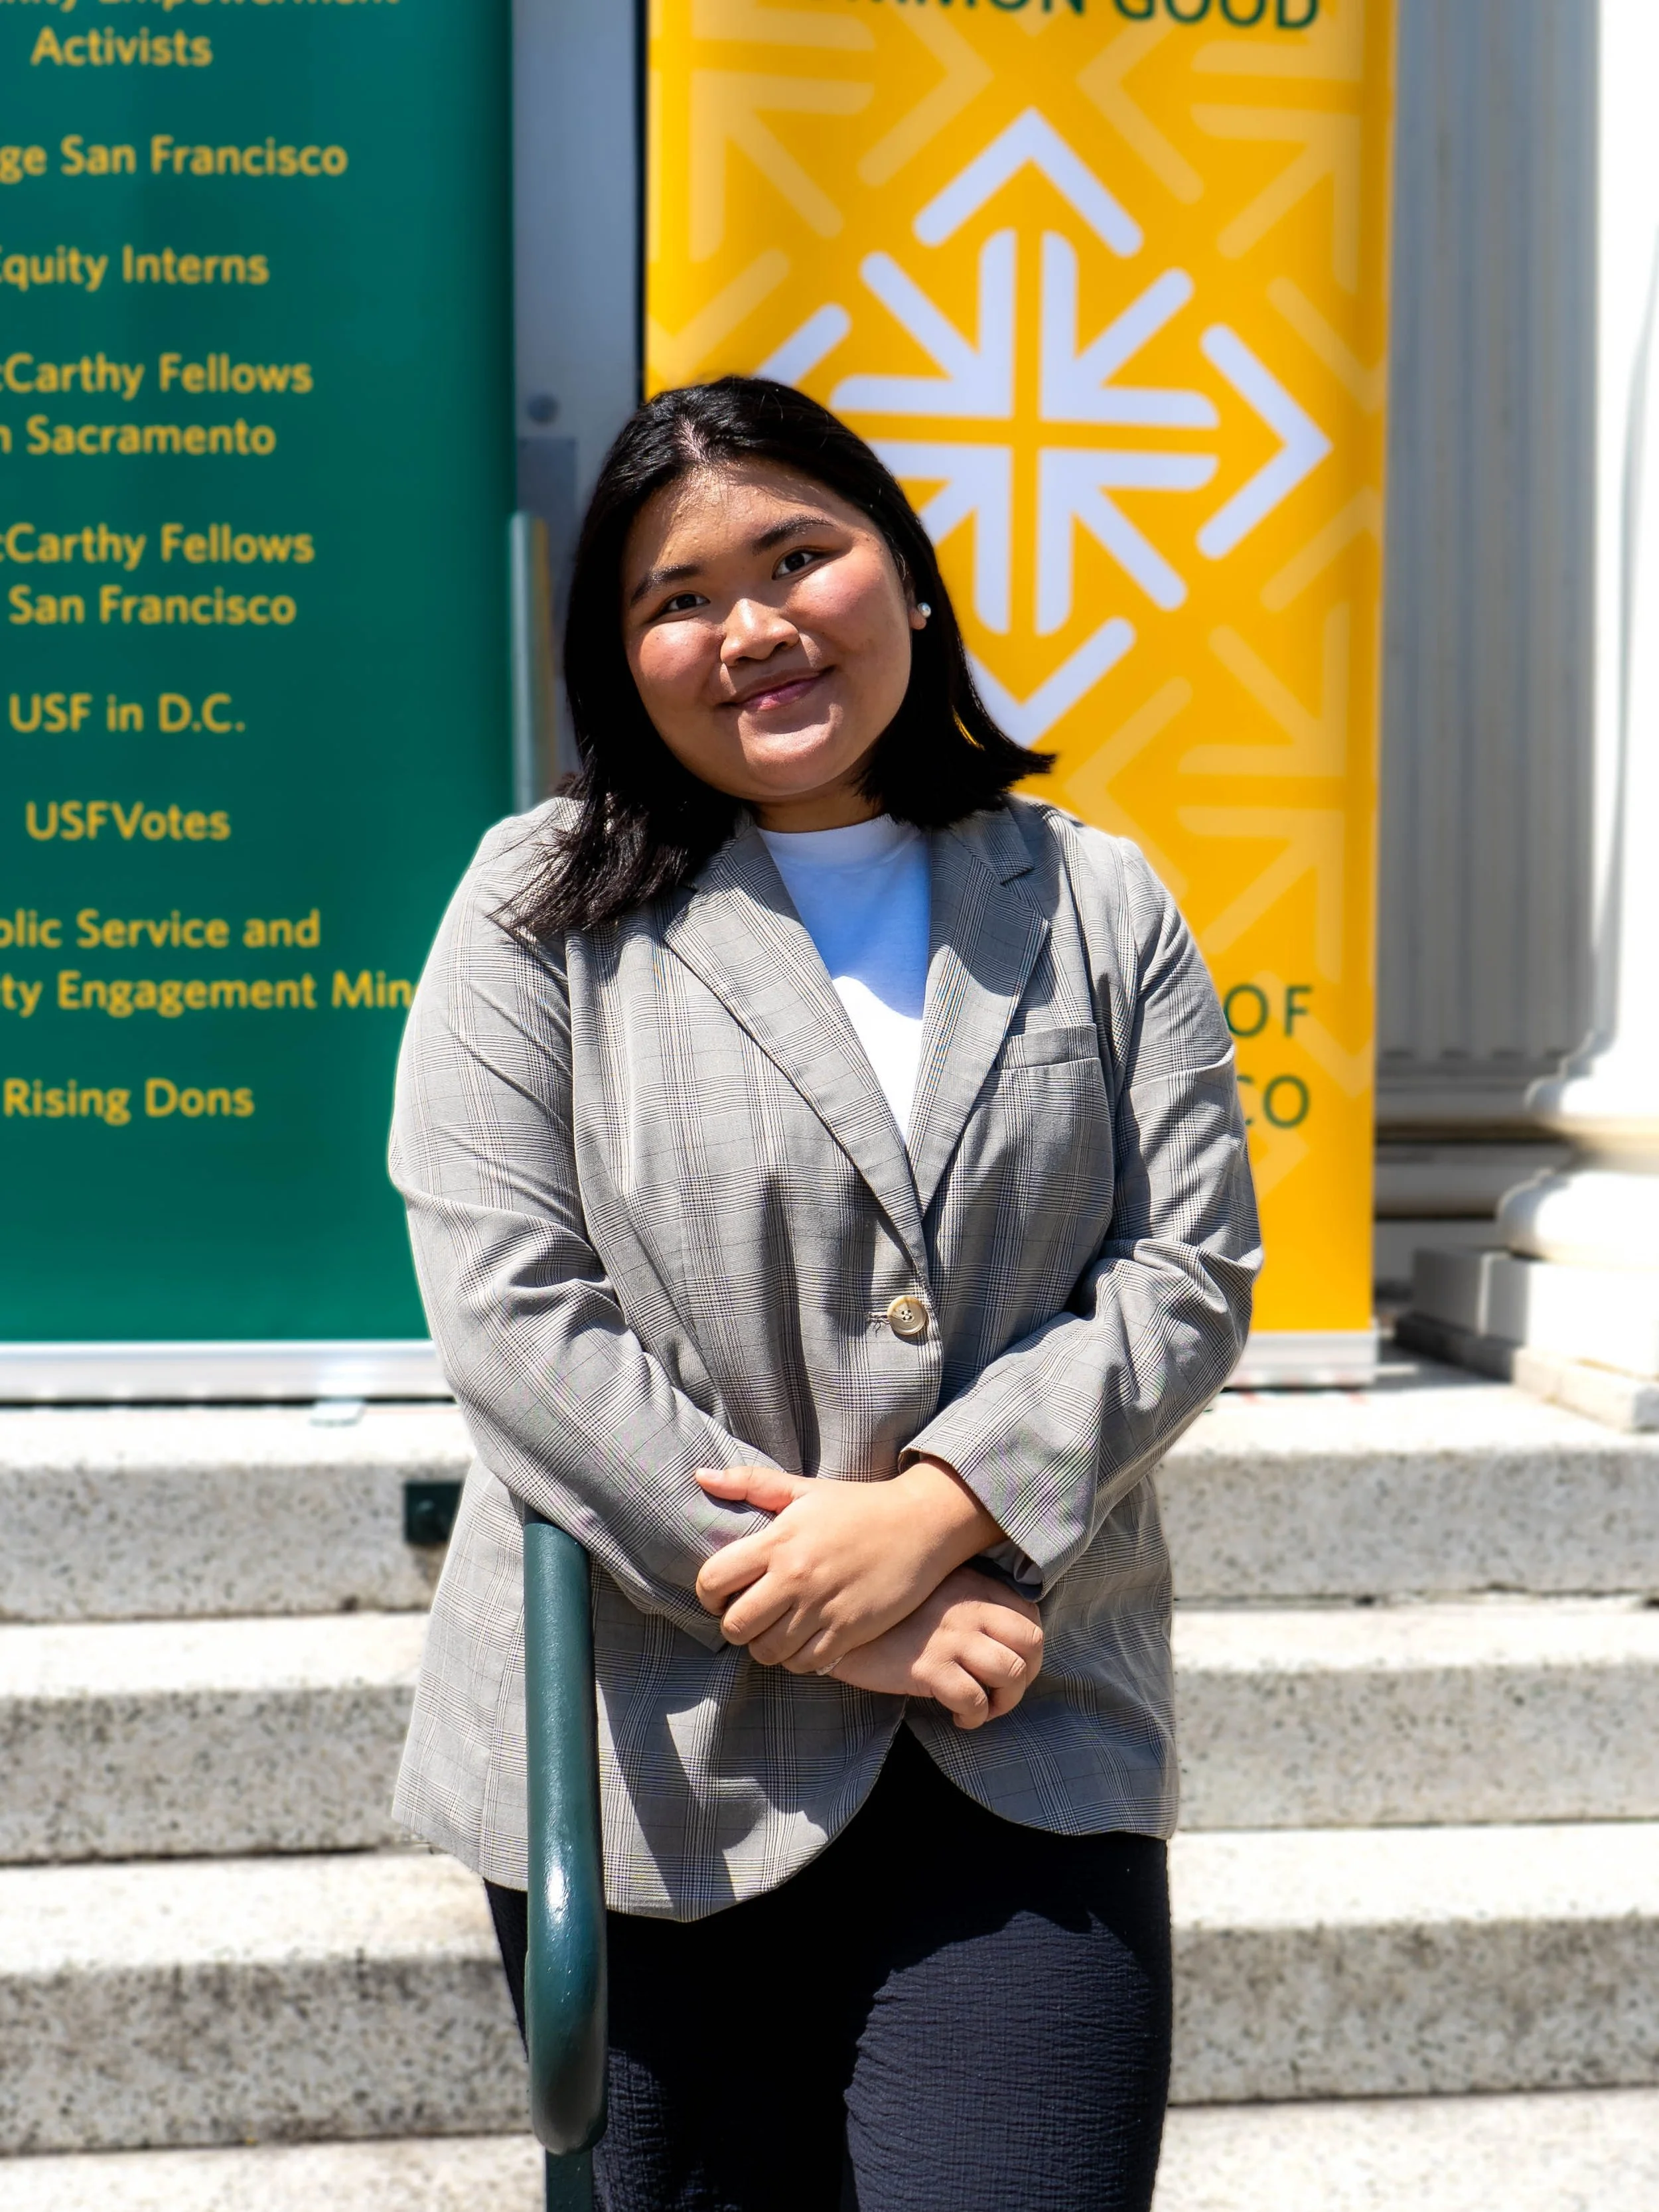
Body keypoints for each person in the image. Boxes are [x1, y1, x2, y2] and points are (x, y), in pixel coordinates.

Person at [390, 376, 1260, 2212]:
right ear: (620, 658)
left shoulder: (1091, 901)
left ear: (906, 576)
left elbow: (1189, 1265)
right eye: (678, 596)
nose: (753, 625)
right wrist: (813, 1603)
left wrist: (940, 1511)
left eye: (798, 557)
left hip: (1021, 1720)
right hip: (648, 1746)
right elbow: (508, 1304)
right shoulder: (539, 906)